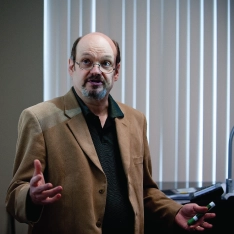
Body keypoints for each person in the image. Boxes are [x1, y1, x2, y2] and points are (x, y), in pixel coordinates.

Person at [5, 32, 215, 234]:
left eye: (105, 63)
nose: (96, 71)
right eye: (86, 61)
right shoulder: (39, 118)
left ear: (116, 71)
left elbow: (144, 191)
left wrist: (175, 210)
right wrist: (31, 197)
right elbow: (14, 196)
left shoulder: (135, 120)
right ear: (71, 66)